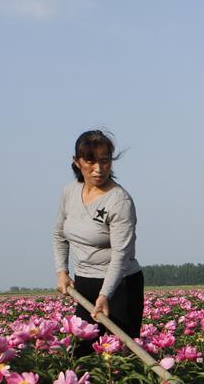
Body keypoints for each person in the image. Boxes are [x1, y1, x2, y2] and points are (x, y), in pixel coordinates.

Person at [53, 130, 144, 356]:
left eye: (105, 161)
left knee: (120, 356)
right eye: (90, 161)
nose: (98, 168)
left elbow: (120, 256)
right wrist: (62, 271)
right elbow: (59, 234)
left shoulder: (119, 201)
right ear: (77, 162)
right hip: (84, 284)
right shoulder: (69, 192)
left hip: (120, 285)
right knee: (81, 354)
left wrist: (105, 295)